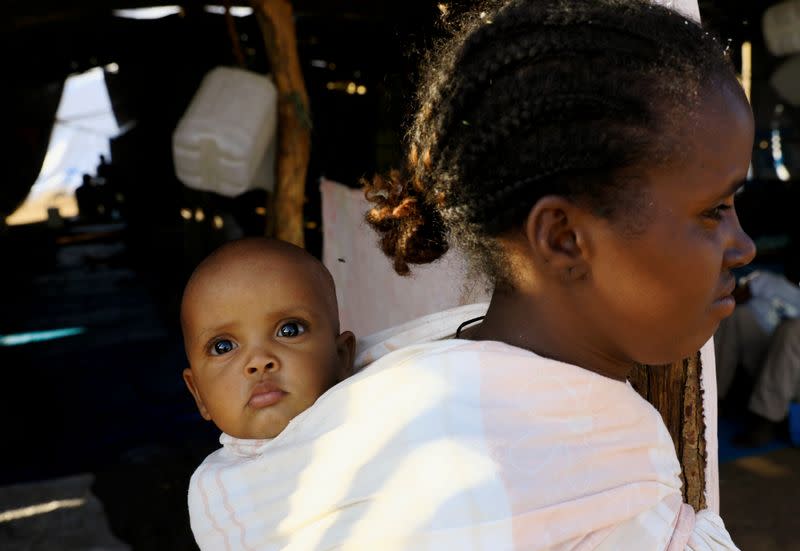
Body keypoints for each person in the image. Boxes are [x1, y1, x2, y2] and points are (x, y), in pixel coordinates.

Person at [185, 1, 753, 549]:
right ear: (562, 237)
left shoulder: (427, 382)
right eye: (714, 210)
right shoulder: (561, 451)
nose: (744, 247)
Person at [180, 238, 356, 545]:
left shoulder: (380, 414)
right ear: (198, 394)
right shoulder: (214, 491)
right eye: (223, 347)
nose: (259, 361)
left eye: (289, 330)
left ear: (341, 356)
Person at [715, 270, 800, 446]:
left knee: (792, 330)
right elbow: (731, 299)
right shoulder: (766, 279)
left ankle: (765, 419)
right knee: (738, 315)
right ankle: (714, 397)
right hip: (763, 358)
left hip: (792, 377)